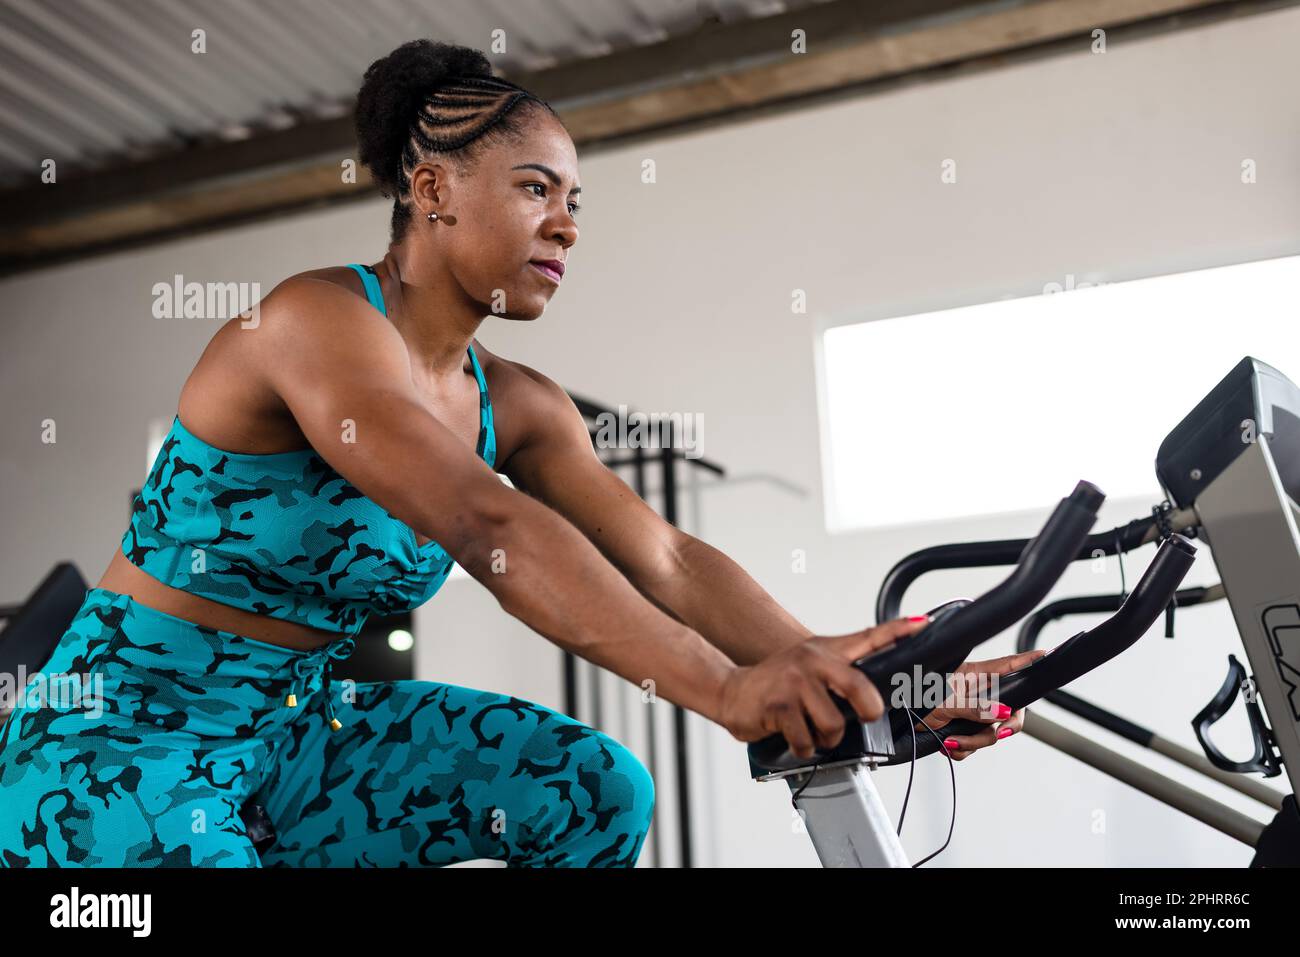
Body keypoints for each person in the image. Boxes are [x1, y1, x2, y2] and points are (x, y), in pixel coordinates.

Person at [0, 39, 1034, 868]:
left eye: (574, 201)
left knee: (593, 789)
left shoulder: (520, 404)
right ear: (434, 189)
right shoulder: (313, 323)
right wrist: (723, 691)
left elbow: (662, 557)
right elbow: (483, 522)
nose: (568, 227)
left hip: (299, 732)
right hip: (123, 737)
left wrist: (871, 685)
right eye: (537, 188)